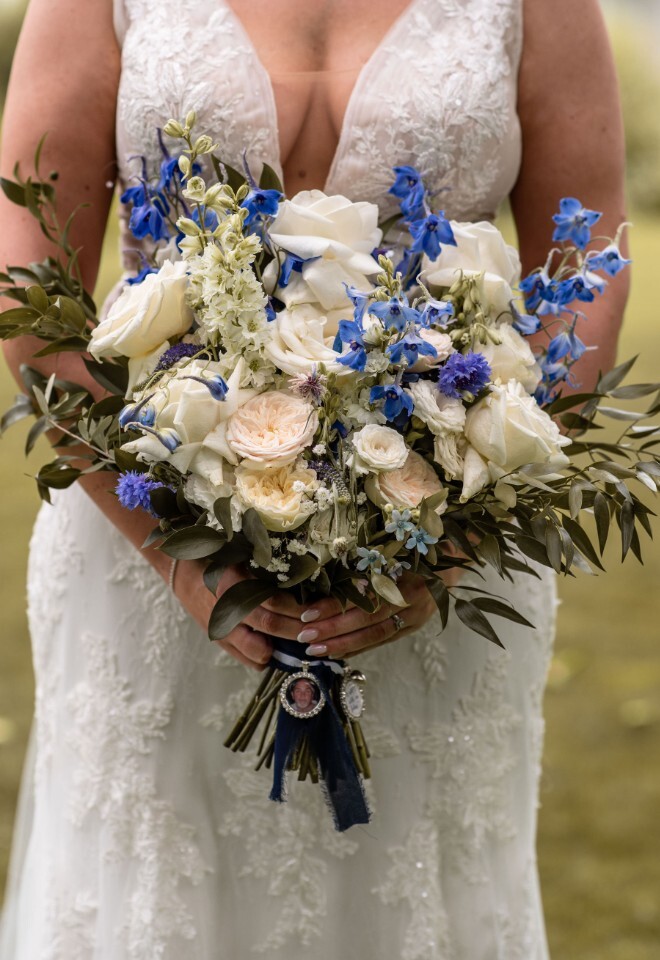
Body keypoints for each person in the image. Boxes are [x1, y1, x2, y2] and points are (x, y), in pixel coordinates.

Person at [0, 0, 628, 957]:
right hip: (151, 558)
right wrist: (179, 554)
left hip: (444, 559)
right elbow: (26, 268)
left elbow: (588, 256)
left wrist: (458, 537)